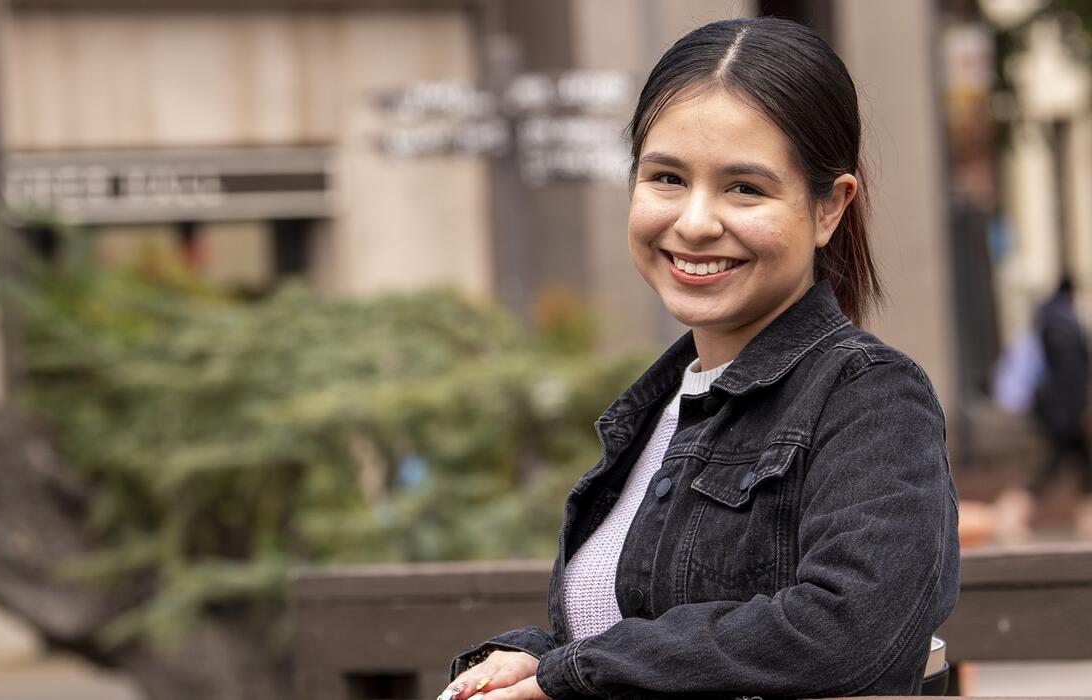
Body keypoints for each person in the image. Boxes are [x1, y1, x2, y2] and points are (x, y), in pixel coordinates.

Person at [438, 17, 959, 700]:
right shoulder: (656, 409)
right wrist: (539, 658)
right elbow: (659, 634)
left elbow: (850, 630)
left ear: (829, 207)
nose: (694, 222)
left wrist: (573, 674)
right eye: (667, 178)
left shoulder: (868, 395)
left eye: (745, 187)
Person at [1027, 277, 1092, 535]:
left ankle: (1086, 521)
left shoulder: (1049, 322)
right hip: (1066, 414)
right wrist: (1082, 410)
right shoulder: (1064, 326)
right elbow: (1071, 375)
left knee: (1068, 466)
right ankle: (1010, 512)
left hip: (1055, 412)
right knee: (1055, 467)